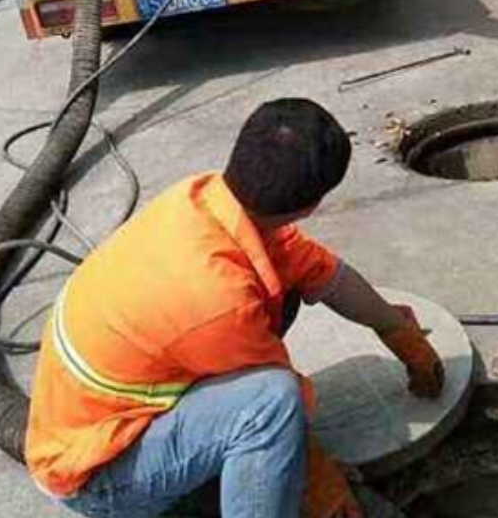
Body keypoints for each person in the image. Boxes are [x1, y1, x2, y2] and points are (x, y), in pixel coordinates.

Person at [26, 98, 444, 518]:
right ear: (312, 205)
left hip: (98, 412)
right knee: (271, 405)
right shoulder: (218, 302)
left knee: (281, 297)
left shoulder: (203, 199)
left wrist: (394, 327)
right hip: (98, 477)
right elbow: (278, 403)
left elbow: (319, 269)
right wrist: (318, 484)